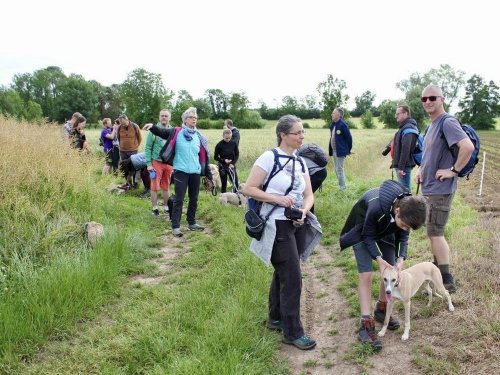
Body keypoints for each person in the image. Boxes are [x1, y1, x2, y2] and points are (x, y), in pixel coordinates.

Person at [241, 115, 322, 351]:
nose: (302, 136)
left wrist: (304, 211)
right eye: (297, 133)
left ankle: (276, 318)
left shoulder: (301, 162)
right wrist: (278, 199)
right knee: (293, 277)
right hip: (275, 224)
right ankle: (292, 332)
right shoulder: (269, 158)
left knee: (284, 271)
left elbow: (309, 194)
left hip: (294, 223)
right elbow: (248, 188)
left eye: (302, 132)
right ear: (283, 135)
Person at [339, 179, 427, 351]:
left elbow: (403, 235)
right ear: (398, 211)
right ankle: (365, 322)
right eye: (403, 225)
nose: (405, 228)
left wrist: (401, 259)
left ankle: (381, 308)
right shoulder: (376, 208)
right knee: (367, 274)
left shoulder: (407, 211)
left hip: (386, 228)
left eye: (407, 227)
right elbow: (368, 236)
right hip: (361, 230)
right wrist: (379, 260)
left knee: (391, 269)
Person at [414, 84, 474, 293]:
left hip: (441, 189)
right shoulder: (432, 125)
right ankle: (438, 273)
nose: (428, 102)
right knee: (432, 232)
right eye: (424, 99)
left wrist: (453, 171)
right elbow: (429, 154)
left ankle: (447, 280)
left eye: (432, 98)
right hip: (430, 187)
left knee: (436, 232)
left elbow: (467, 147)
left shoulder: (447, 122)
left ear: (442, 99)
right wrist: (421, 170)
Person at [143, 107, 212, 237]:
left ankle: (191, 222)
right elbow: (162, 132)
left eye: (195, 118)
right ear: (185, 119)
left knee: (194, 198)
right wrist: (152, 127)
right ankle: (175, 226)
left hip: (195, 172)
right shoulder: (176, 132)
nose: (194, 120)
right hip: (181, 170)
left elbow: (204, 157)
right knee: (179, 199)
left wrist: (208, 175)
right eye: (191, 117)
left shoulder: (199, 136)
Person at [143, 110, 174, 217]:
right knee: (155, 187)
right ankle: (155, 208)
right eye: (162, 116)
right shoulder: (153, 131)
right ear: (159, 117)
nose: (164, 117)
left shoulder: (173, 131)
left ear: (170, 118)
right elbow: (147, 148)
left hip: (169, 164)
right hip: (156, 162)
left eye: (166, 116)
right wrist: (148, 164)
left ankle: (166, 207)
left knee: (166, 187)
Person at [385, 105, 419, 191]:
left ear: (405, 113)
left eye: (398, 114)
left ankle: (409, 204)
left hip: (404, 166)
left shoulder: (408, 128)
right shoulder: (404, 127)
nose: (396, 116)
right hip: (402, 165)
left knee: (405, 190)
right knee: (402, 189)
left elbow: (406, 149)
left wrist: (401, 167)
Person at [297, 143, 327, 214]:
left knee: (307, 195)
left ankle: (309, 216)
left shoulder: (294, 155)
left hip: (316, 173)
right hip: (322, 171)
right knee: (308, 194)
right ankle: (308, 214)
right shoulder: (298, 152)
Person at [328, 108, 352, 190]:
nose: (332, 114)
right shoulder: (334, 124)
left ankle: (343, 188)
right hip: (335, 151)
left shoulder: (342, 125)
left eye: (333, 113)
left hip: (340, 151)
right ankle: (341, 185)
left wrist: (348, 150)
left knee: (339, 170)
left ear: (338, 115)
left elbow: (349, 138)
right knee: (336, 169)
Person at [117, 114, 142, 188]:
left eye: (124, 123)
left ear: (127, 119)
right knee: (125, 167)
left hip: (133, 151)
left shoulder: (135, 126)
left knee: (133, 167)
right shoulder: (119, 128)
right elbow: (119, 138)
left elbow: (139, 138)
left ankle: (135, 184)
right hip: (123, 151)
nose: (123, 125)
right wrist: (121, 146)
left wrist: (136, 146)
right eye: (121, 123)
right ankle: (128, 183)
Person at [214, 128, 240, 193]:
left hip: (231, 166)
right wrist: (224, 160)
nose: (228, 140)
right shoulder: (219, 145)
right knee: (224, 183)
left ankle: (236, 195)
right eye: (226, 138)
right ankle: (223, 197)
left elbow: (237, 154)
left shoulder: (234, 144)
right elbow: (215, 157)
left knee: (235, 182)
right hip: (222, 166)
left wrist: (232, 163)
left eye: (229, 138)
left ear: (231, 136)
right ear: (223, 136)